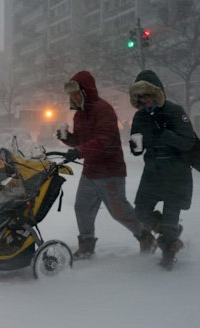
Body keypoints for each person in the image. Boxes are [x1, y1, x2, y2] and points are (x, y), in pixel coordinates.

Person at [57, 71, 153, 260]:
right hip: (91, 171)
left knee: (119, 211)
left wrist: (79, 151)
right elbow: (82, 140)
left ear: (86, 92)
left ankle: (145, 236)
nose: (73, 98)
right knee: (82, 207)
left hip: (110, 171)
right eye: (71, 95)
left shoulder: (103, 109)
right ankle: (86, 245)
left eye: (76, 93)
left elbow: (104, 139)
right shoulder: (79, 115)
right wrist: (68, 138)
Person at [128, 70, 197, 270]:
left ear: (157, 94)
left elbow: (189, 141)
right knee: (141, 212)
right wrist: (135, 146)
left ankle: (168, 256)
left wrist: (167, 136)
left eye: (147, 96)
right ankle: (169, 233)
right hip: (152, 172)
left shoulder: (174, 111)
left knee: (170, 218)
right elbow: (136, 144)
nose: (144, 101)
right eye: (139, 98)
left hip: (176, 173)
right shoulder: (140, 117)